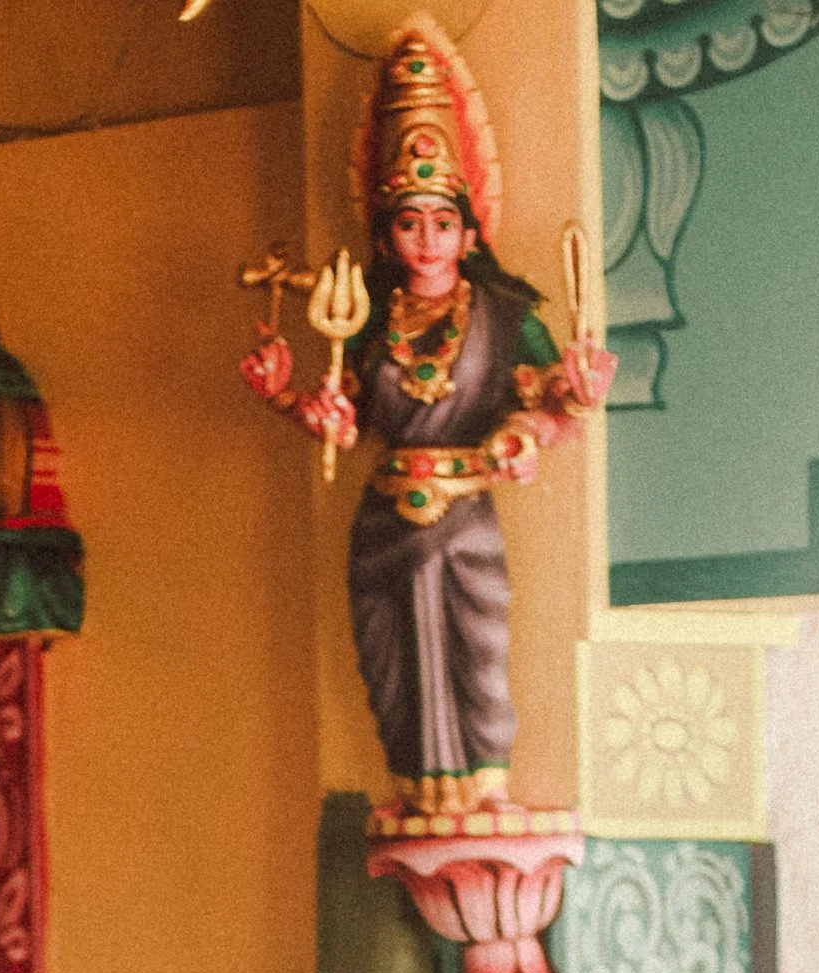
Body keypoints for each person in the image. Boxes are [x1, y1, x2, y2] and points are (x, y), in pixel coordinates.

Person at [239, 19, 612, 811]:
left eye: (443, 223)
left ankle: (485, 789)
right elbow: (339, 425)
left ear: (470, 229)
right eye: (409, 223)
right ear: (385, 231)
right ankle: (418, 788)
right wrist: (282, 395)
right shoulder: (365, 319)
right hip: (383, 521)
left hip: (466, 512)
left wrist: (556, 408)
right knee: (392, 664)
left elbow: (550, 403)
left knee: (477, 654)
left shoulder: (507, 315)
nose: (428, 241)